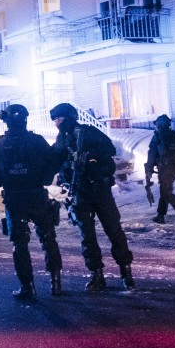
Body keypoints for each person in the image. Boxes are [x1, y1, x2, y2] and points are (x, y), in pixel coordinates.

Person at [49, 102, 135, 291]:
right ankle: (96, 274)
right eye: (55, 119)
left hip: (99, 190)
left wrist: (91, 156)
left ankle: (126, 271)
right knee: (87, 236)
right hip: (78, 193)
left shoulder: (88, 132)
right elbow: (54, 160)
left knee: (114, 231)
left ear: (69, 117)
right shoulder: (61, 138)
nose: (57, 122)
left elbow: (110, 149)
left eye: (60, 118)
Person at [0, 104, 63, 300]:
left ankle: (28, 287)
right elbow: (54, 160)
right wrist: (45, 176)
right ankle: (55, 283)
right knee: (48, 238)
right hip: (36, 195)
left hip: (14, 198)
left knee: (20, 243)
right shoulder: (36, 141)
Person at [145, 114, 175, 227]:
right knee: (164, 191)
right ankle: (160, 216)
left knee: (166, 193)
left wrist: (149, 168)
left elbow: (152, 154)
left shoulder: (158, 136)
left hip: (165, 168)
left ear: (159, 124)